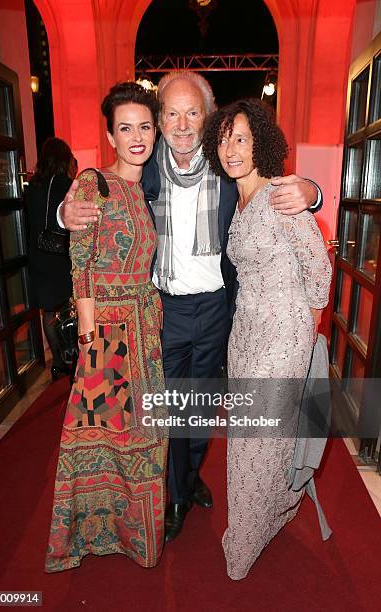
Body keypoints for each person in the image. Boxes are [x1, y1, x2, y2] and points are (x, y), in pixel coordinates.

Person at [59, 71, 322, 543]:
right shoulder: (146, 164)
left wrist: (312, 191)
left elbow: (273, 182)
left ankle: (188, 475)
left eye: (193, 113)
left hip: (219, 308)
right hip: (163, 310)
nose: (182, 125)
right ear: (160, 121)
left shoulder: (227, 164)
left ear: (208, 116)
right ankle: (176, 493)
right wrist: (62, 213)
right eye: (172, 114)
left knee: (201, 408)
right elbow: (99, 191)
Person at [202, 98, 332, 580]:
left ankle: (245, 541)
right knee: (257, 438)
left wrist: (302, 331)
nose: (231, 149)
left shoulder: (281, 194)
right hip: (247, 331)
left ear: (261, 142)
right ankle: (277, 505)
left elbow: (318, 269)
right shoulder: (238, 201)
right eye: (223, 139)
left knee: (254, 441)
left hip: (283, 333)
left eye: (241, 138)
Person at [45, 82, 168, 572]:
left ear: (154, 132)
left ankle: (137, 536)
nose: (136, 137)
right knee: (101, 436)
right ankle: (90, 535)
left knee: (145, 438)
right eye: (125, 128)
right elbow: (82, 265)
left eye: (144, 126)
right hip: (110, 332)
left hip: (147, 329)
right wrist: (91, 342)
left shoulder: (145, 187)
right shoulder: (92, 184)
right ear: (110, 136)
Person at [27, 137, 77, 380]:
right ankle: (72, 355)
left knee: (48, 311)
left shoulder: (32, 187)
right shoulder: (68, 185)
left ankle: (57, 362)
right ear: (64, 159)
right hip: (61, 256)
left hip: (38, 258)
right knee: (69, 308)